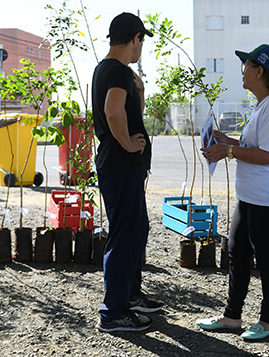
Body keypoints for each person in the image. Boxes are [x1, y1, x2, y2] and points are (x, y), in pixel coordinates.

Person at [197, 44, 269, 340]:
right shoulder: (265, 104)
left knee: (265, 255)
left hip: (268, 196)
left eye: (247, 66)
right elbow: (255, 145)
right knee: (237, 250)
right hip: (251, 194)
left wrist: (227, 150)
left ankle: (268, 321)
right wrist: (225, 139)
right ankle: (232, 316)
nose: (242, 71)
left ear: (260, 71)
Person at [92, 12, 163, 333]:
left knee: (137, 230)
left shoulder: (109, 70)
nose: (141, 48)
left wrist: (141, 92)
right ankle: (113, 312)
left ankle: (130, 295)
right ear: (135, 38)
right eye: (141, 41)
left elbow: (128, 112)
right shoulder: (118, 71)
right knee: (123, 237)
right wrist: (128, 144)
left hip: (122, 165)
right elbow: (112, 110)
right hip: (120, 164)